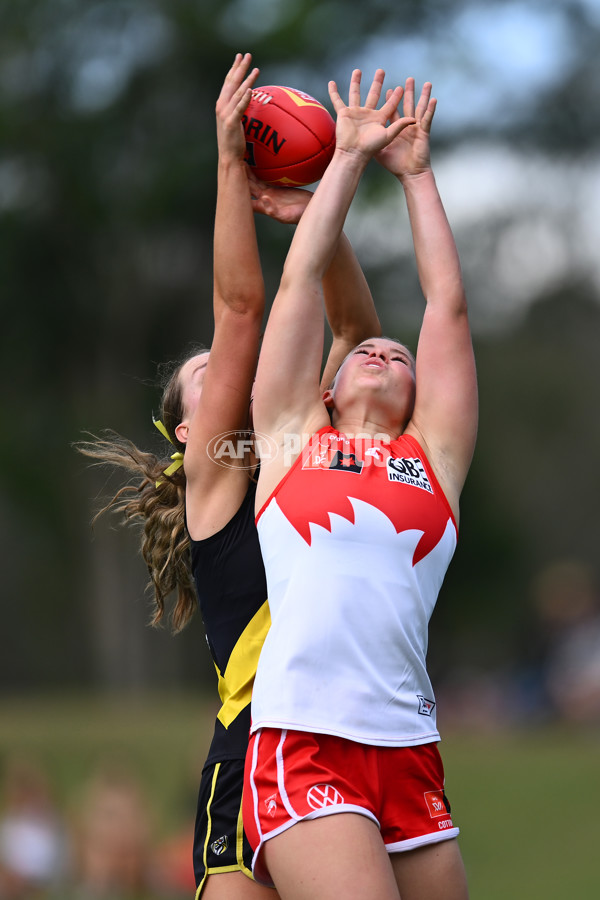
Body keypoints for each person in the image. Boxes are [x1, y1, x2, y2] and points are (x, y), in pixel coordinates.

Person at [75, 53, 381, 900]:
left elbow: (354, 324)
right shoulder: (220, 469)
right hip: (253, 744)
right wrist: (228, 161)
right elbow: (243, 309)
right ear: (185, 429)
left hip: (348, 738)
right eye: (206, 375)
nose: (227, 367)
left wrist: (316, 213)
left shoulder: (305, 443)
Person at [243, 69, 478, 900]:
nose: (384, 352)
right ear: (327, 389)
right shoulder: (290, 438)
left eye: (399, 356)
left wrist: (416, 174)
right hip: (305, 742)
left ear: (422, 398)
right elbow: (301, 285)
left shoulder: (434, 462)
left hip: (409, 746)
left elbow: (444, 306)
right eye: (367, 351)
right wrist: (343, 159)